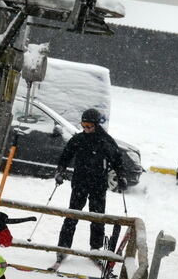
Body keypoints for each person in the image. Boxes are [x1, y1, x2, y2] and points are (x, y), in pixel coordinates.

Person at [53, 108, 126, 265]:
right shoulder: (78, 139)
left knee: (97, 217)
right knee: (72, 215)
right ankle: (63, 248)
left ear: (96, 125)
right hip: (79, 183)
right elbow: (65, 156)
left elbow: (117, 160)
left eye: (89, 126)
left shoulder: (106, 141)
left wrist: (121, 177)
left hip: (98, 185)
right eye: (83, 125)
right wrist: (60, 171)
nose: (85, 129)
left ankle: (95, 248)